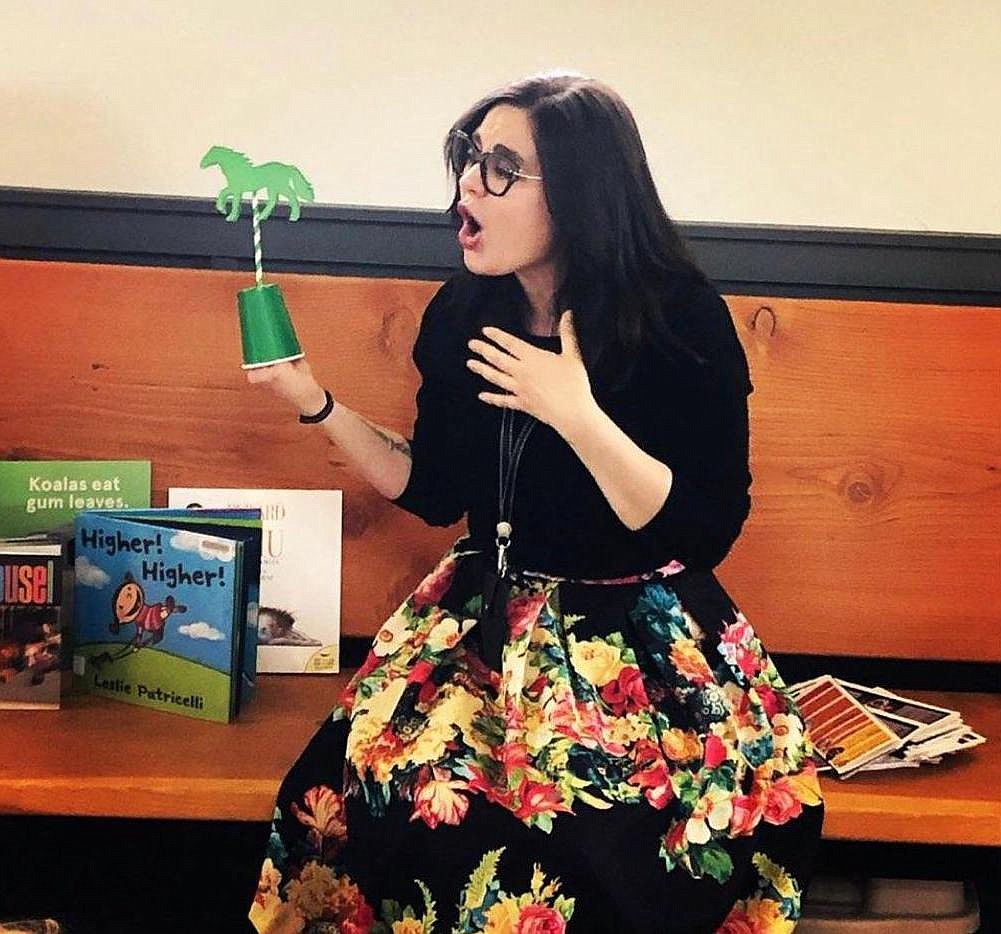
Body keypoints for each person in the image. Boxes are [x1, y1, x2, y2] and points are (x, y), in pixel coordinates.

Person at [247, 73, 824, 934]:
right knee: (376, 791)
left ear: (583, 195)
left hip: (639, 642)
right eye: (469, 162)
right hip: (482, 621)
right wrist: (314, 403)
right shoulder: (465, 312)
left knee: (597, 839)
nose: (467, 190)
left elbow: (701, 529)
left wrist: (574, 411)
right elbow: (435, 489)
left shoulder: (676, 318)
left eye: (501, 170)